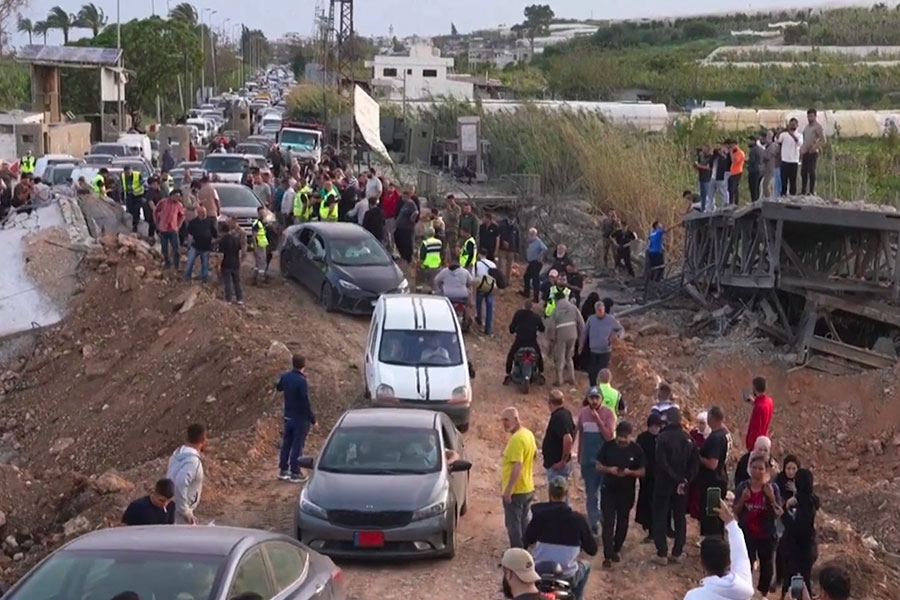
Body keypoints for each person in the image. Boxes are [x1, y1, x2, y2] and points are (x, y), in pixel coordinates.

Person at [524, 476, 597, 600]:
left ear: (549, 494)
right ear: (566, 494)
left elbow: (526, 540)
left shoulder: (539, 516)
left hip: (540, 572)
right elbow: (592, 550)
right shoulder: (578, 519)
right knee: (586, 566)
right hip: (567, 575)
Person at [652, 407, 699, 566]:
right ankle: (677, 552)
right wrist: (685, 479)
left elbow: (661, 462)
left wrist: (674, 477)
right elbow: (695, 464)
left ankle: (662, 553)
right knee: (679, 518)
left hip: (664, 484)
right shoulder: (689, 439)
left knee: (660, 516)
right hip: (682, 486)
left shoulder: (662, 438)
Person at [683, 499, 754, 600]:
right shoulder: (743, 586)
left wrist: (731, 522)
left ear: (702, 564)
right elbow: (741, 556)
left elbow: (740, 556)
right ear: (729, 562)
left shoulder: (694, 596)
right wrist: (730, 521)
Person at [597, 420, 646, 568]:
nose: (623, 440)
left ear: (630, 436)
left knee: (622, 522)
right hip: (609, 490)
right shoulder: (608, 446)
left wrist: (630, 472)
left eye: (626, 437)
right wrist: (609, 470)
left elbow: (643, 471)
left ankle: (616, 549)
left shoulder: (637, 450)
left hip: (626, 492)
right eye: (620, 436)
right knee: (608, 522)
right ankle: (607, 555)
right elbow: (598, 465)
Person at [734, 455, 783, 597]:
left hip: (766, 534)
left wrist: (771, 498)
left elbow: (778, 512)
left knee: (767, 566)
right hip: (747, 533)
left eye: (760, 468)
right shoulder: (743, 487)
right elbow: (735, 511)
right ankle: (745, 591)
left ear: (766, 470)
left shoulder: (772, 488)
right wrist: (743, 499)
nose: (757, 471)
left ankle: (763, 593)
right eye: (754, 468)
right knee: (745, 563)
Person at [573, 386, 616, 535]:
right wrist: (579, 456)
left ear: (601, 399)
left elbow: (609, 436)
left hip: (604, 463)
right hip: (588, 462)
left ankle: (605, 521)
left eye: (597, 398)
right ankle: (594, 525)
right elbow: (581, 435)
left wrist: (598, 420)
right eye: (592, 398)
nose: (594, 401)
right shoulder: (583, 413)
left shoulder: (608, 414)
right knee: (591, 495)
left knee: (604, 496)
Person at [501, 407, 538, 549]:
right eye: (502, 420)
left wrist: (509, 489)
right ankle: (525, 553)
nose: (504, 423)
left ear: (516, 419)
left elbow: (517, 465)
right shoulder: (528, 434)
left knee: (513, 525)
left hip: (517, 490)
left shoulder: (517, 439)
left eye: (506, 420)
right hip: (528, 486)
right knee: (524, 523)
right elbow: (534, 455)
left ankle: (517, 556)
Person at [780, 468, 819, 600]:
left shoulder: (805, 504)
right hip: (805, 549)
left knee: (795, 584)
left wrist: (783, 515)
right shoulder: (808, 499)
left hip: (798, 551)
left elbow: (798, 529)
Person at [276, 354, 316, 483]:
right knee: (298, 445)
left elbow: (279, 387)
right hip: (300, 419)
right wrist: (313, 419)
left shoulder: (286, 377)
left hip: (288, 416)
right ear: (303, 365)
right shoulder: (302, 381)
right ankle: (295, 472)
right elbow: (305, 401)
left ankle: (283, 470)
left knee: (286, 444)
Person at [698, 406, 730, 538]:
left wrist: (697, 456)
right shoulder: (725, 433)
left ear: (712, 418)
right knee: (718, 514)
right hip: (721, 478)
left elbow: (712, 464)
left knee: (711, 515)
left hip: (713, 482)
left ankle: (713, 543)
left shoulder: (716, 438)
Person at [166, 423, 207, 525]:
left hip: (171, 508)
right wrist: (185, 511)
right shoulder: (193, 462)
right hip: (181, 514)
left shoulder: (176, 455)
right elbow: (180, 483)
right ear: (203, 439)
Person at [581, 301, 624, 387]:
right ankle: (593, 388)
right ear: (595, 310)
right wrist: (581, 344)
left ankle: (602, 388)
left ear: (604, 309)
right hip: (593, 350)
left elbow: (620, 329)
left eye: (601, 310)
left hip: (605, 351)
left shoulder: (610, 319)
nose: (599, 312)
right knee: (592, 371)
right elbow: (585, 332)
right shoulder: (591, 319)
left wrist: (616, 336)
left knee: (602, 372)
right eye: (597, 310)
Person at [546, 289, 584, 386]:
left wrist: (551, 340)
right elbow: (581, 323)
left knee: (560, 358)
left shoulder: (556, 310)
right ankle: (571, 378)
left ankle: (559, 380)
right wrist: (580, 336)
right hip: (573, 334)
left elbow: (551, 327)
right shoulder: (573, 308)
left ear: (556, 300)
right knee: (569, 357)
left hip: (561, 335)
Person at [635, 413, 663, 542]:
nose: (655, 429)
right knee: (647, 503)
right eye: (652, 426)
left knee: (658, 504)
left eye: (657, 426)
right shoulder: (642, 438)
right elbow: (638, 456)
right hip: (646, 477)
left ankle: (657, 530)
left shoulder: (663, 438)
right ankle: (649, 528)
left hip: (660, 477)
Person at [505, 300, 545, 382]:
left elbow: (512, 328)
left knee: (511, 355)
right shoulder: (536, 317)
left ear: (523, 306)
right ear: (531, 308)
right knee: (539, 356)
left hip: (520, 341)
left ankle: (508, 373)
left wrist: (513, 329)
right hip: (532, 342)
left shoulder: (518, 314)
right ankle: (541, 372)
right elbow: (542, 329)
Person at [542, 389, 575, 484]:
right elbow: (574, 430)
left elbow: (568, 438)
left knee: (558, 494)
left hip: (557, 465)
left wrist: (562, 461)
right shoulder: (566, 413)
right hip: (558, 462)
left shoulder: (558, 417)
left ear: (550, 403)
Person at [184, 206, 217, 283]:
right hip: (195, 246)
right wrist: (189, 242)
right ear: (198, 213)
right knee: (190, 262)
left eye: (205, 212)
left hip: (206, 247)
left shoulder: (209, 222)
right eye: (202, 212)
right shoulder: (193, 222)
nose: (204, 214)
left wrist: (214, 242)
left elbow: (214, 234)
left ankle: (204, 279)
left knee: (205, 264)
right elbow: (188, 233)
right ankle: (187, 277)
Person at [154, 188, 185, 270]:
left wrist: (178, 226)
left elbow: (182, 216)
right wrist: (157, 222)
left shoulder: (179, 205)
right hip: (163, 229)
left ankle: (176, 266)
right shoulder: (163, 202)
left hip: (173, 229)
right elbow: (156, 211)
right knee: (164, 249)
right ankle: (167, 263)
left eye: (179, 197)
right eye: (176, 196)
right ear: (171, 195)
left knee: (176, 249)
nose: (177, 198)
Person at [219, 217, 244, 305]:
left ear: (222, 231)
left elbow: (221, 254)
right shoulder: (236, 239)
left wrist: (218, 264)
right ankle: (239, 299)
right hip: (236, 263)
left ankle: (228, 299)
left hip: (226, 263)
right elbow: (240, 250)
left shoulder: (223, 240)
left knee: (228, 282)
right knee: (237, 282)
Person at [801, 109, 825, 195]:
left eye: (811, 116)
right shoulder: (806, 127)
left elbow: (822, 140)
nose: (809, 118)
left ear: (815, 116)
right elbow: (804, 139)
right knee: (803, 172)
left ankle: (811, 191)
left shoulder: (818, 127)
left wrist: (815, 147)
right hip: (805, 152)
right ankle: (803, 190)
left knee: (811, 171)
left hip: (813, 152)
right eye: (808, 116)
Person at [746, 376, 774, 451]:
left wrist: (750, 445)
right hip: (764, 440)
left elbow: (755, 430)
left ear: (755, 388)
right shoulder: (769, 401)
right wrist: (754, 402)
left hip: (756, 445)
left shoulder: (759, 408)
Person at [474, 255, 498, 335]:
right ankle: (488, 328)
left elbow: (473, 275)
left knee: (479, 303)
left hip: (481, 285)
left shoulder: (477, 264)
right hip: (491, 286)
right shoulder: (492, 264)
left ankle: (479, 318)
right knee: (489, 307)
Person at [778, 119, 803, 196]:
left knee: (792, 182)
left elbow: (799, 143)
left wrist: (791, 134)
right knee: (783, 182)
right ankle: (783, 197)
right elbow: (778, 141)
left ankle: (792, 198)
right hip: (784, 161)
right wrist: (779, 132)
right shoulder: (784, 135)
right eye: (791, 124)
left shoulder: (799, 135)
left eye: (794, 124)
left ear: (797, 125)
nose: (792, 126)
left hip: (793, 161)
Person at [522, 227, 547, 301]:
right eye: (530, 234)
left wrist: (539, 256)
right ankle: (526, 293)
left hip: (536, 263)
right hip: (531, 262)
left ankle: (536, 298)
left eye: (532, 234)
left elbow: (544, 248)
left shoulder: (538, 241)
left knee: (535, 280)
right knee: (526, 277)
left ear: (535, 234)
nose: (530, 235)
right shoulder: (531, 242)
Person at [394, 191, 419, 263]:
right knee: (397, 238)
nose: (402, 198)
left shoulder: (411, 204)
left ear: (407, 197)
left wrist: (412, 219)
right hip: (400, 227)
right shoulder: (405, 204)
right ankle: (403, 255)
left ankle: (408, 258)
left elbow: (416, 212)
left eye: (403, 197)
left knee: (407, 243)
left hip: (406, 228)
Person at [417, 227, 443, 292]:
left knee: (420, 278)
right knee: (434, 281)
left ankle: (419, 289)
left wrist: (419, 264)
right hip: (437, 265)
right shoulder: (439, 242)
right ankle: (433, 292)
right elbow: (442, 253)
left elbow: (422, 256)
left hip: (426, 266)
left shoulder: (425, 243)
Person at [121, 165, 146, 234]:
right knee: (130, 209)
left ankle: (135, 225)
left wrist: (140, 185)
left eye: (129, 172)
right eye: (126, 172)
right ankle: (135, 217)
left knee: (136, 209)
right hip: (129, 194)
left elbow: (143, 182)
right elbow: (122, 185)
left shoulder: (137, 174)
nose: (128, 173)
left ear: (131, 170)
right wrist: (122, 196)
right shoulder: (123, 176)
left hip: (138, 194)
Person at [250, 206, 269, 285]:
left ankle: (255, 278)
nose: (263, 214)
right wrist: (255, 248)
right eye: (261, 213)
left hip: (262, 245)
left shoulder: (262, 223)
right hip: (259, 246)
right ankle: (260, 280)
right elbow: (254, 236)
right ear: (258, 213)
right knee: (262, 263)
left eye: (263, 212)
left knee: (258, 264)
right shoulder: (257, 223)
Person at [695, 146, 714, 211]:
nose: (703, 151)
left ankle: (711, 208)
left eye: (704, 149)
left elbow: (708, 168)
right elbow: (698, 167)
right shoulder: (702, 157)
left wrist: (699, 166)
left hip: (707, 178)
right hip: (701, 178)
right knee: (702, 196)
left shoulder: (711, 157)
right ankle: (703, 209)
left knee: (708, 195)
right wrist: (697, 165)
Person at [728, 138, 746, 206]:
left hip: (737, 172)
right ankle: (732, 202)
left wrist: (731, 153)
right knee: (731, 188)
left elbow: (734, 161)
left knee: (733, 188)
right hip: (732, 172)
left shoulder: (739, 153)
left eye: (733, 146)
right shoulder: (735, 152)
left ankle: (734, 202)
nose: (732, 148)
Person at [748, 135, 765, 203]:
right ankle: (757, 202)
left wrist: (746, 162)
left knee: (753, 188)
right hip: (761, 170)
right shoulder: (761, 149)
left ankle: (753, 203)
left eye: (749, 141)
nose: (748, 143)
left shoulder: (753, 150)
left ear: (753, 141)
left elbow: (751, 160)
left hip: (754, 170)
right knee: (757, 188)